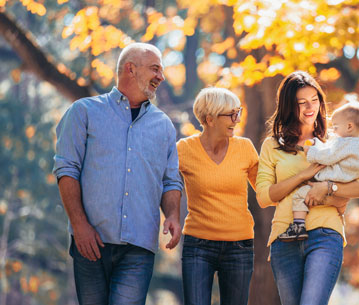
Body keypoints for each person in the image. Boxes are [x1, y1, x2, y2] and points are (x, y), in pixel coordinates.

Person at [53, 42, 183, 305]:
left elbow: (170, 180)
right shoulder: (84, 112)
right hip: (91, 242)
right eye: (155, 69)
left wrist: (172, 214)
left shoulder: (164, 126)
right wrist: (79, 225)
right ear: (130, 69)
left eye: (162, 70)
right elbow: (66, 169)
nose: (161, 76)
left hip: (139, 247)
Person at [256, 71, 359, 305]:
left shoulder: (336, 140)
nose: (310, 107)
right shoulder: (272, 145)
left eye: (314, 100)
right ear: (289, 107)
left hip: (325, 234)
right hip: (284, 238)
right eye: (301, 103)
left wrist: (328, 188)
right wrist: (305, 175)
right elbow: (264, 197)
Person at [177, 87, 258, 305]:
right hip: (198, 245)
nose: (237, 119)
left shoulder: (245, 148)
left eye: (238, 112)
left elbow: (267, 190)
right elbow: (166, 185)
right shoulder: (184, 149)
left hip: (239, 246)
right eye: (231, 114)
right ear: (210, 119)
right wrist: (170, 218)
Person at [279, 102, 359, 241]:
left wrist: (311, 151)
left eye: (336, 127)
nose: (333, 130)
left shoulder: (343, 142)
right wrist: (318, 144)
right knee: (334, 200)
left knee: (299, 195)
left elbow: (328, 156)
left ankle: (298, 227)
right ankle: (339, 207)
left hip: (335, 178)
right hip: (344, 181)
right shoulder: (356, 143)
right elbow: (330, 150)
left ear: (349, 126)